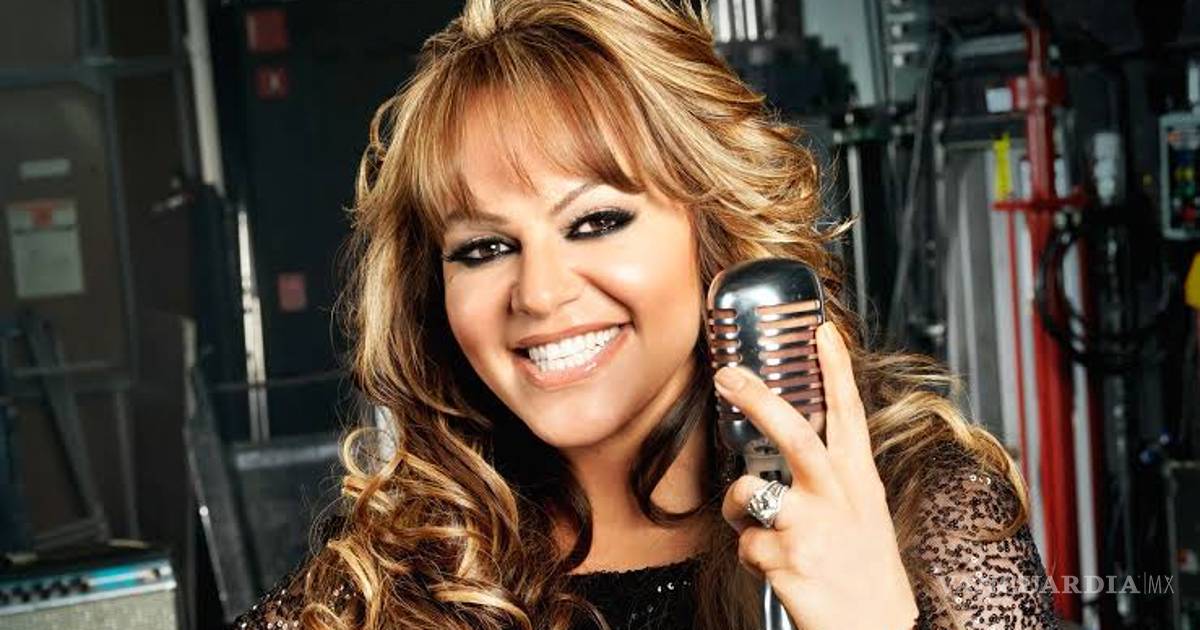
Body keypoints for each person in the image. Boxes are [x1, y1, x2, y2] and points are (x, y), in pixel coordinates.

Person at [234, 1, 1058, 629]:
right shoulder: (404, 566)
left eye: (596, 221)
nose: (540, 293)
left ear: (711, 228)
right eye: (484, 248)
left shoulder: (916, 504)